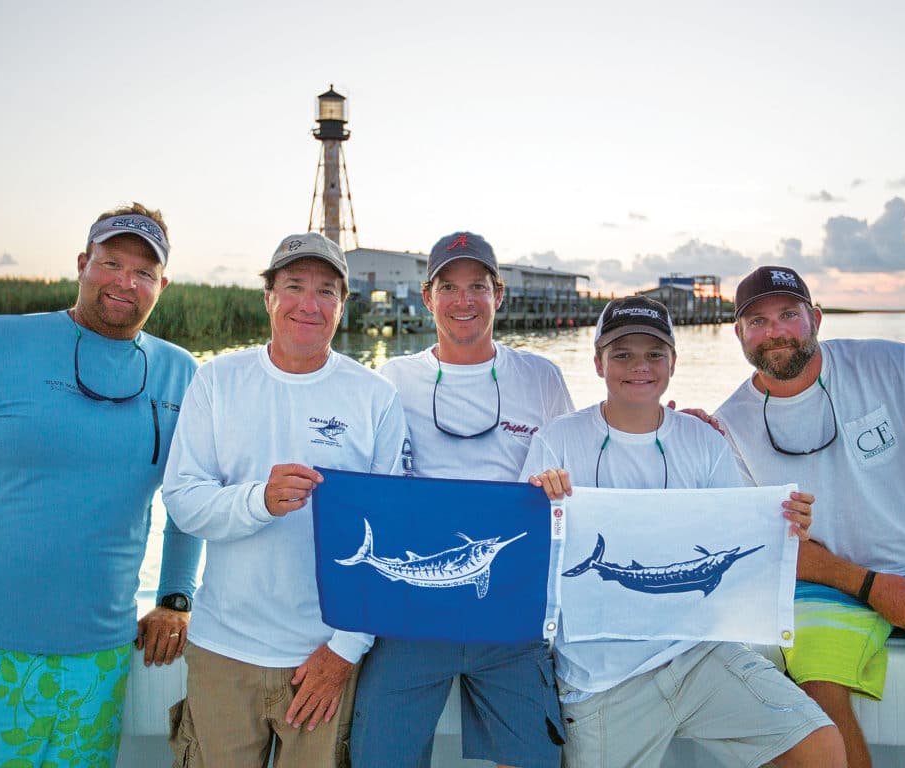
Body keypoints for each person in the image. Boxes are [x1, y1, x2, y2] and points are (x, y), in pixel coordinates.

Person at [523, 296, 845, 768]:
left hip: (698, 653)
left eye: (654, 354)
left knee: (818, 746)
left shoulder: (703, 440)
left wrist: (784, 527)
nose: (640, 367)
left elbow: (735, 536)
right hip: (602, 673)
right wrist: (539, 502)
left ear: (673, 362)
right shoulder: (557, 440)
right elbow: (531, 556)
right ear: (597, 363)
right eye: (622, 354)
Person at [0, 203, 201, 768]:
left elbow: (189, 501)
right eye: (111, 263)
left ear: (162, 284)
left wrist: (176, 597)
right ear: (83, 263)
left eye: (144, 272)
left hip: (95, 661)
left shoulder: (183, 374)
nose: (125, 282)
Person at [163, 232, 411, 768]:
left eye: (327, 291)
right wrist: (260, 501)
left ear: (343, 306)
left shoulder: (376, 398)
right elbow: (183, 501)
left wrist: (346, 650)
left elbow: (392, 537)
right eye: (294, 285)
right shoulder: (216, 381)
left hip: (324, 658)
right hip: (223, 651)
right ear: (268, 297)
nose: (309, 304)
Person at [715, 266, 905, 768]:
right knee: (818, 697)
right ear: (738, 334)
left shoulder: (886, 365)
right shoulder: (729, 425)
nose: (775, 331)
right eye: (757, 321)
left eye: (789, 314)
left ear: (817, 319)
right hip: (826, 579)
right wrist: (873, 587)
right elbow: (769, 548)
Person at [351, 232, 574, 768]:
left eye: (478, 286)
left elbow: (579, 460)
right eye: (448, 286)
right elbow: (370, 479)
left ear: (499, 294)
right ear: (427, 297)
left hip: (512, 616)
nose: (463, 300)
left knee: (536, 759)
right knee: (377, 755)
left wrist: (670, 423)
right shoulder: (393, 379)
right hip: (412, 616)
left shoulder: (541, 377)